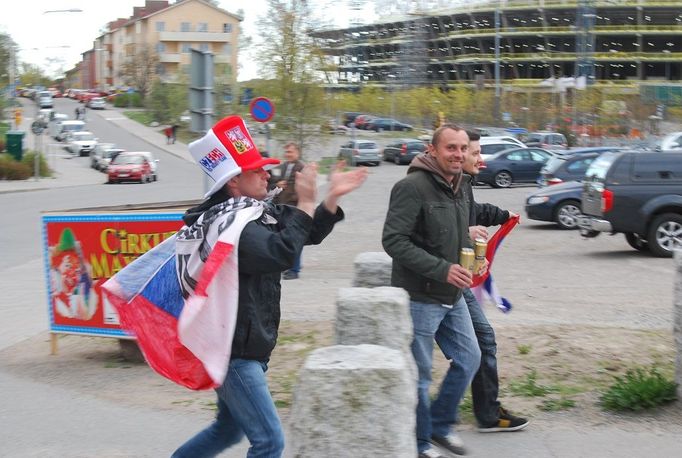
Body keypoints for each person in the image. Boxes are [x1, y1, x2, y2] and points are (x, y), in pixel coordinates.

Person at [171, 115, 368, 458]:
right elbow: (282, 252)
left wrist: (331, 197)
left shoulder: (251, 212)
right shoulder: (230, 227)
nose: (267, 174)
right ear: (233, 182)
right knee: (270, 442)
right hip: (235, 353)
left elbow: (305, 232)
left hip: (245, 345)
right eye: (257, 170)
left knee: (227, 429)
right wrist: (306, 203)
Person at [382, 124, 481, 458]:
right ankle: (420, 443)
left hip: (453, 294)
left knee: (469, 358)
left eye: (463, 148)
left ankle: (438, 425)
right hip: (420, 296)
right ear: (433, 150)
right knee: (421, 375)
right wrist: (442, 269)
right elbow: (394, 240)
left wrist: (472, 251)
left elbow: (456, 232)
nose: (458, 154)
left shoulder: (462, 185)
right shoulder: (411, 186)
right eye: (451, 148)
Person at [463, 131, 529, 433]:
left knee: (478, 343)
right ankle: (432, 421)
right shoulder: (444, 184)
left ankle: (486, 412)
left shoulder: (461, 184)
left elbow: (470, 212)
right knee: (477, 343)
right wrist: (465, 233)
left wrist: (502, 215)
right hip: (437, 282)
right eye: (475, 152)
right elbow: (432, 228)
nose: (481, 159)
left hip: (453, 278)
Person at [268, 142, 306, 280]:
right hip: (280, 208)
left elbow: (305, 188)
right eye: (287, 152)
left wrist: (295, 198)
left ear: (297, 153)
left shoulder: (302, 168)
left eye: (290, 152)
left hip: (295, 208)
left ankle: (294, 270)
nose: (288, 154)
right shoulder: (282, 166)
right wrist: (276, 184)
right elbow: (271, 179)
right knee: (283, 238)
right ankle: (289, 265)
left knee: (294, 239)